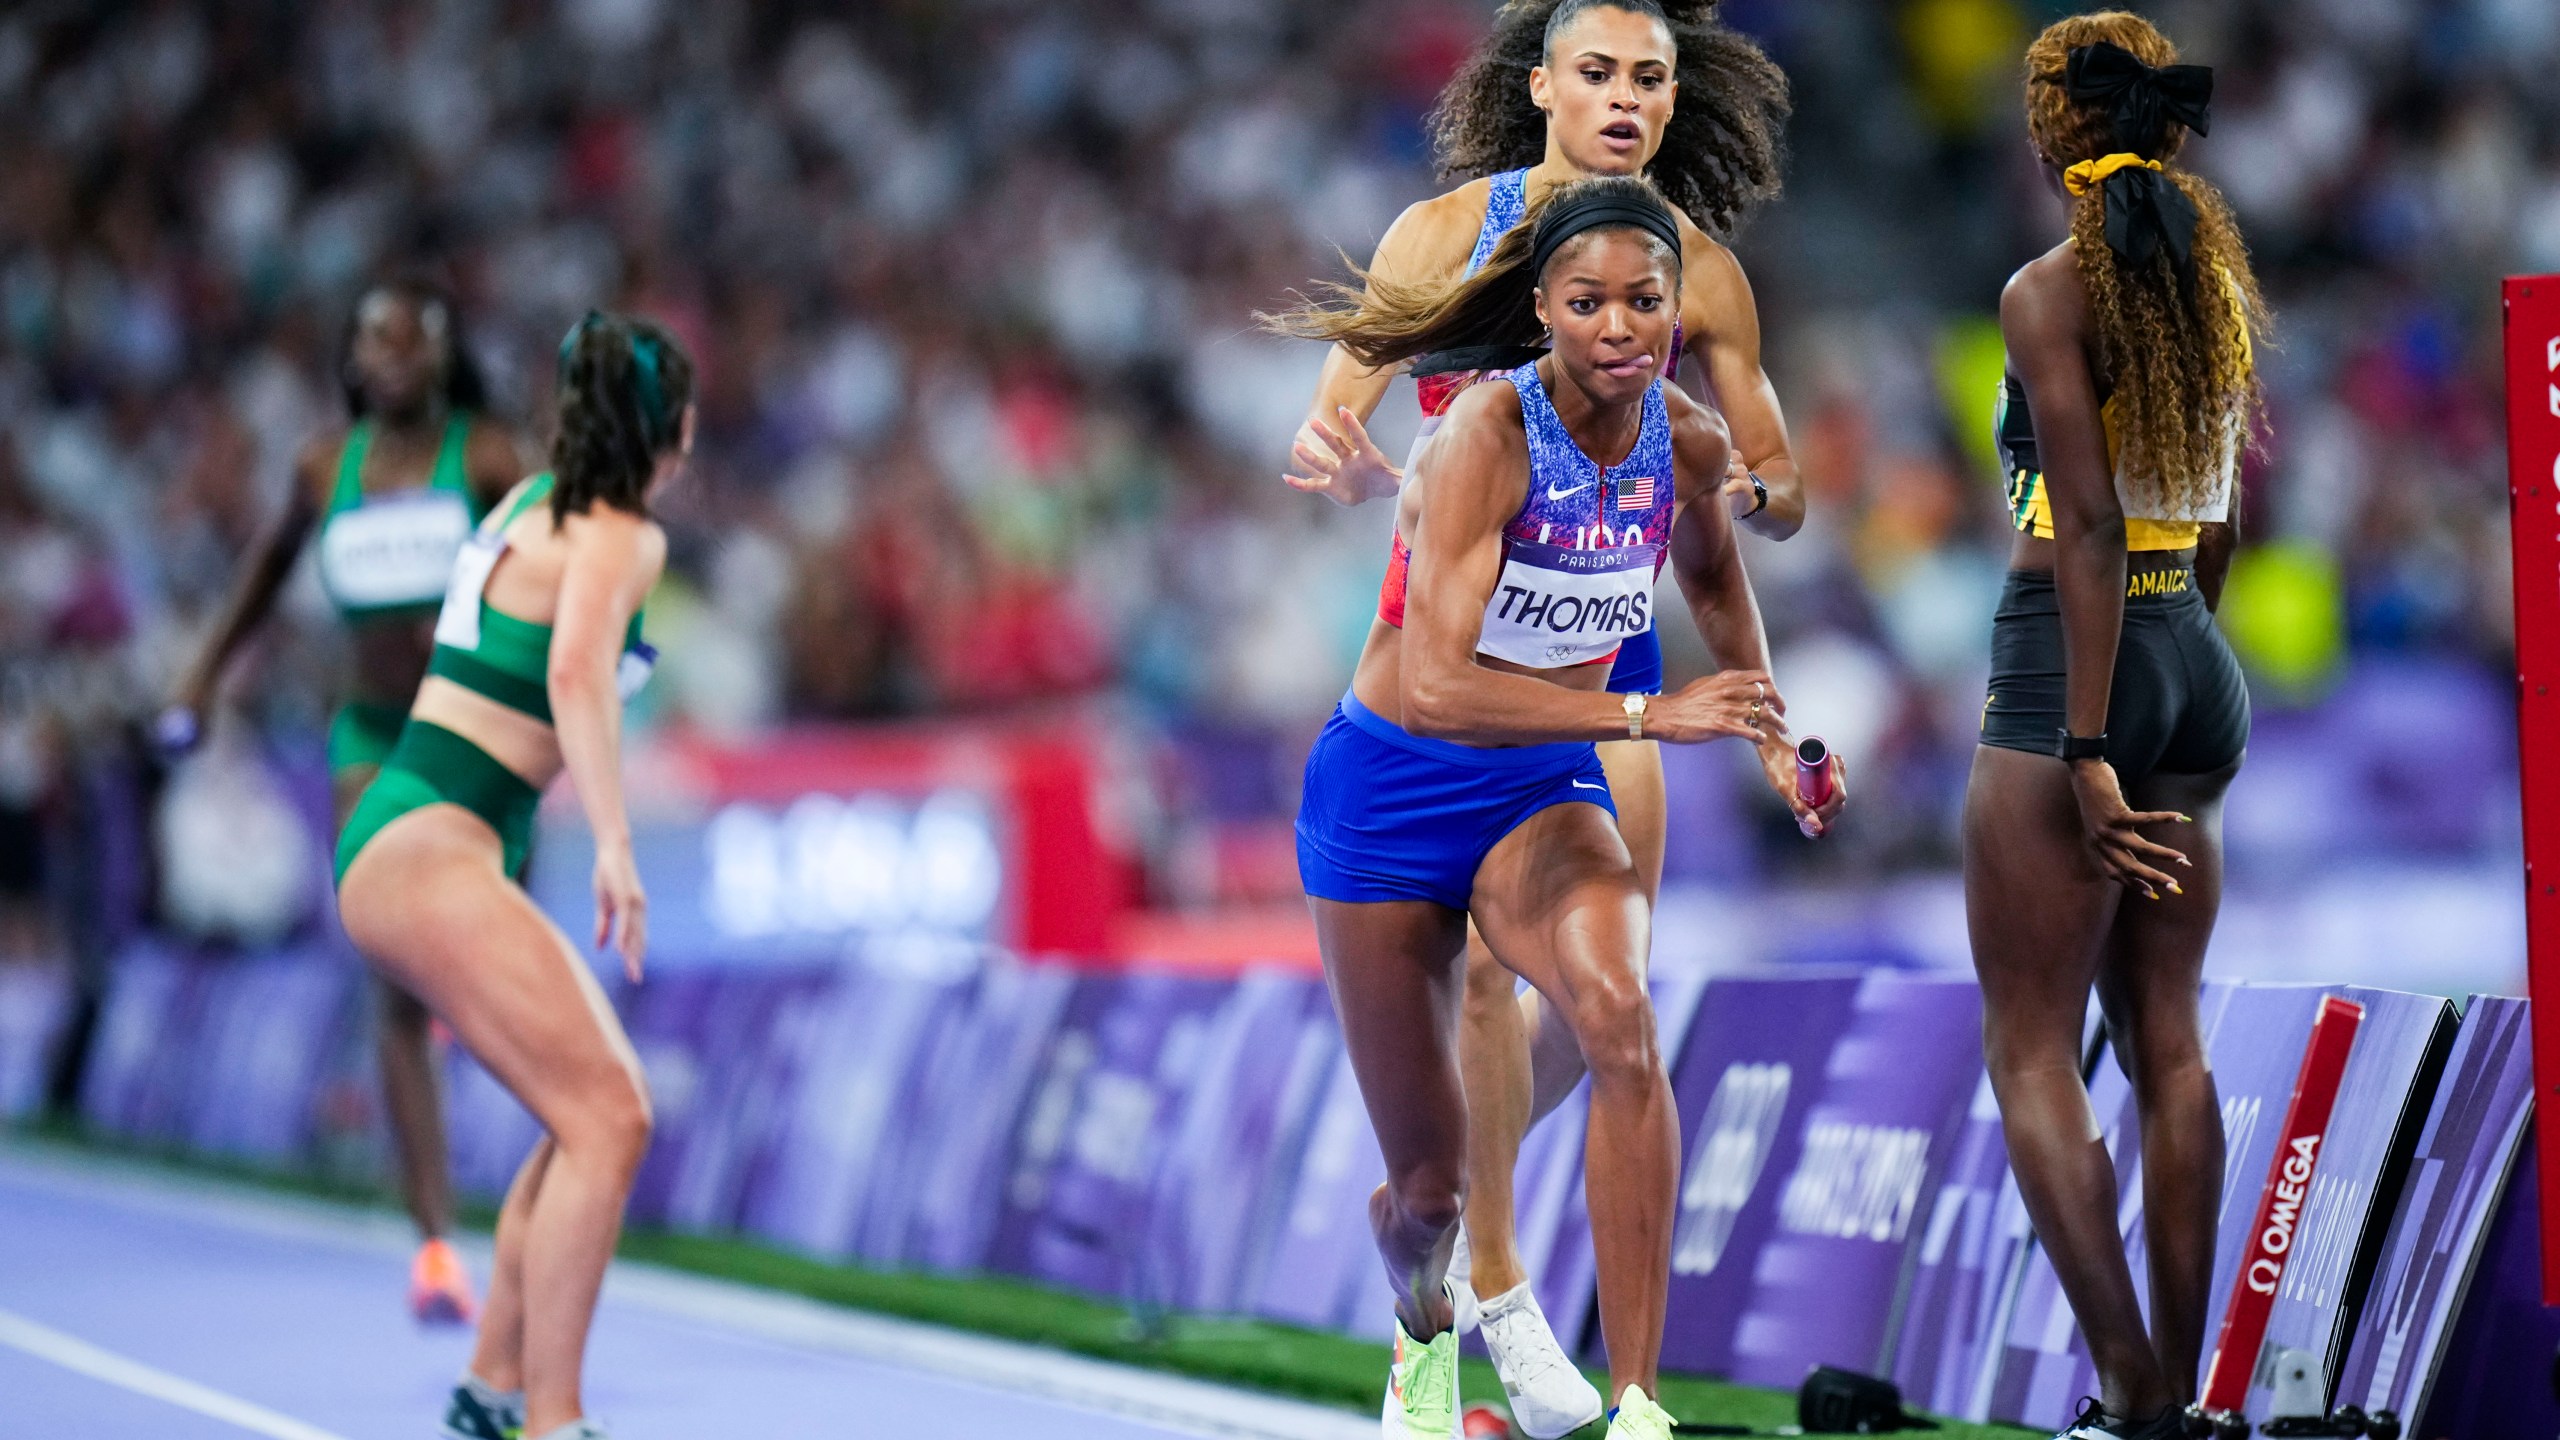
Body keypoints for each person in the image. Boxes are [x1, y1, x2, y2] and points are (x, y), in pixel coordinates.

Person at [1280, 3, 1800, 1431]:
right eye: (1597, 74)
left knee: (1599, 1013)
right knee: (1489, 998)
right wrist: (1339, 452)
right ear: (1542, 86)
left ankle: (1505, 1283)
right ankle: (1478, 1299)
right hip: (1442, 659)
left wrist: (1759, 490)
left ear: (1675, 95)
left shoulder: (1693, 278)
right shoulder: (1443, 240)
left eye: (1648, 78)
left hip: (1603, 667)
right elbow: (1336, 417)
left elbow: (1760, 478)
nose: (1624, 99)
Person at [1964, 14, 2265, 1440]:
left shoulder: (2045, 290)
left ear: (2047, 138)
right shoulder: (2208, 276)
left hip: (2068, 663)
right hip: (2196, 652)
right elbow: (2218, 507)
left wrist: (2086, 745)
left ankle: (2138, 1396)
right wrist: (2176, 653)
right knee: (2169, 1039)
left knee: (2030, 1047)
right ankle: (2194, 1397)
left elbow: (2083, 524)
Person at [335, 311, 687, 1440]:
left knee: (578, 1108)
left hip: (411, 836)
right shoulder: (623, 537)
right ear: (667, 436)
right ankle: (555, 1420)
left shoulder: (526, 505)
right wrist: (619, 847)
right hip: (432, 845)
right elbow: (579, 671)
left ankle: (493, 1388)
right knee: (613, 1118)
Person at [166, 279, 525, 1324]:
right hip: (371, 735)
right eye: (374, 343)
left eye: (411, 341)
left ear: (442, 352)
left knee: (479, 960)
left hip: (474, 736)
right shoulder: (325, 468)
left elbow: (567, 563)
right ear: (353, 361)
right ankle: (433, 1242)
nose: (392, 358)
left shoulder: (493, 457)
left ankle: (458, 996)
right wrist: (198, 676)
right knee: (390, 968)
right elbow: (262, 577)